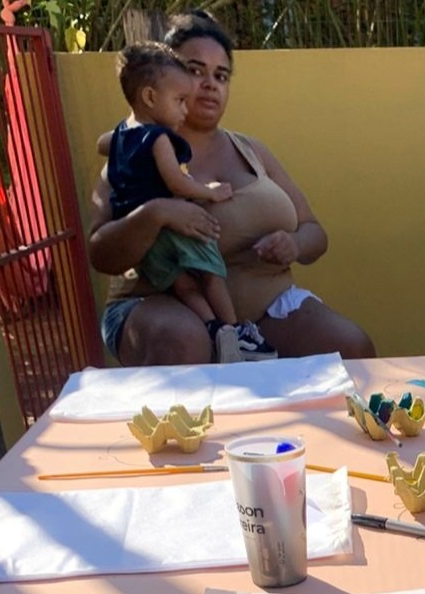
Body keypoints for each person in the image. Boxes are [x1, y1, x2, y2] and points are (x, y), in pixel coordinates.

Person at [88, 11, 376, 366]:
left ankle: (243, 340)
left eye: (221, 75)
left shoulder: (252, 151)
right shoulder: (134, 154)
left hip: (266, 310)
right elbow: (100, 253)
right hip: (162, 305)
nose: (210, 84)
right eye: (195, 71)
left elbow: (315, 232)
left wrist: (294, 244)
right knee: (185, 342)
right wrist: (157, 213)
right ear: (164, 79)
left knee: (351, 348)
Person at [106, 41, 274, 364]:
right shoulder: (159, 138)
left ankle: (213, 328)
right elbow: (176, 181)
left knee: (183, 285)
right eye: (179, 101)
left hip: (147, 242)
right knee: (210, 274)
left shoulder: (121, 135)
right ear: (150, 97)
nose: (185, 109)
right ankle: (236, 330)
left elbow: (105, 145)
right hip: (173, 230)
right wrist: (209, 191)